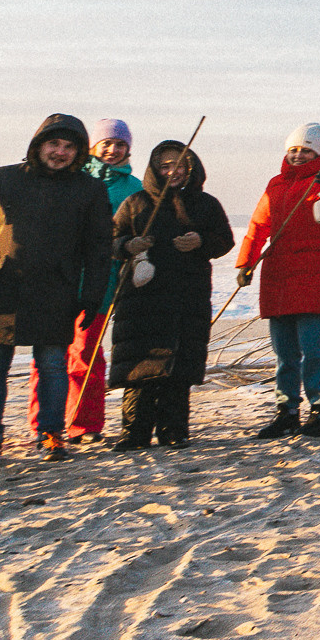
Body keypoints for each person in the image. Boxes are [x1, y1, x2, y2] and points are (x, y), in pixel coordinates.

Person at [0, 113, 113, 464]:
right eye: (53, 144)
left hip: (55, 291)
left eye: (68, 146)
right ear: (38, 144)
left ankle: (51, 433)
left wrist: (91, 295)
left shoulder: (89, 190)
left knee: (53, 365)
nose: (60, 152)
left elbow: (98, 247)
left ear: (79, 152)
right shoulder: (1, 179)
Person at [107, 140, 235, 450]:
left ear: (191, 167)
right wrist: (127, 246)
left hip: (187, 295)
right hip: (142, 297)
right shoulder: (136, 202)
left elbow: (224, 241)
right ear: (154, 169)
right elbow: (109, 239)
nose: (172, 171)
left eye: (179, 165)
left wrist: (201, 241)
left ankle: (174, 431)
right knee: (140, 365)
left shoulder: (206, 204)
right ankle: (134, 433)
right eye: (165, 166)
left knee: (178, 366)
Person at [234, 122, 320, 438]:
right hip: (278, 278)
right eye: (294, 150)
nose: (299, 155)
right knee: (284, 352)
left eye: (306, 150)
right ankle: (287, 411)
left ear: (318, 153)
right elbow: (258, 226)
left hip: (314, 277)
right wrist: (246, 263)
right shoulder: (275, 184)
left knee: (313, 347)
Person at [40, 117, 142, 442]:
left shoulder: (133, 188)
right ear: (93, 146)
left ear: (128, 149)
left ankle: (84, 423)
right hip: (58, 280)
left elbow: (137, 232)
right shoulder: (70, 178)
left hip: (102, 281)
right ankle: (42, 423)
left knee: (86, 353)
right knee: (48, 353)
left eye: (120, 144)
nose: (112, 150)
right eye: (106, 143)